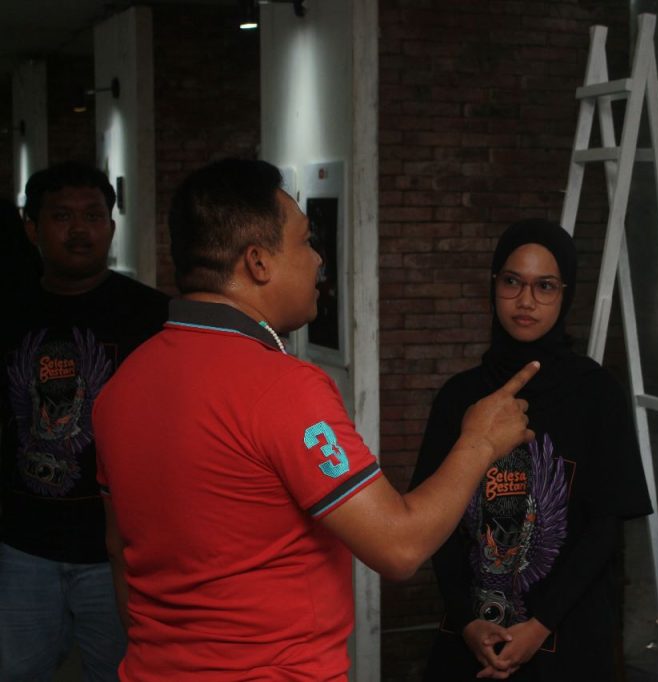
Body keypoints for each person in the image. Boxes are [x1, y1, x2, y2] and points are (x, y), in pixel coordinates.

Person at [92, 158, 538, 681]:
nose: (319, 260)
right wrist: (480, 442)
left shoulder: (121, 387)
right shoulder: (282, 387)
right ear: (258, 263)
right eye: (305, 242)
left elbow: (119, 549)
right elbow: (397, 547)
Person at [410, 219, 652, 681]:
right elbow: (431, 520)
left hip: (567, 642)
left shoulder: (597, 394)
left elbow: (604, 531)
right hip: (472, 638)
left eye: (545, 286)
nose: (526, 301)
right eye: (512, 282)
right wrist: (465, 622)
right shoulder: (459, 398)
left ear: (565, 294)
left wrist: (538, 627)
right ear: (493, 285)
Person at [0, 162, 169, 680]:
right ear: (32, 227)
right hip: (22, 544)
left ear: (111, 226)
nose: (80, 229)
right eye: (62, 216)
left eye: (94, 216)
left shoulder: (152, 316)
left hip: (119, 554)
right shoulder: (8, 308)